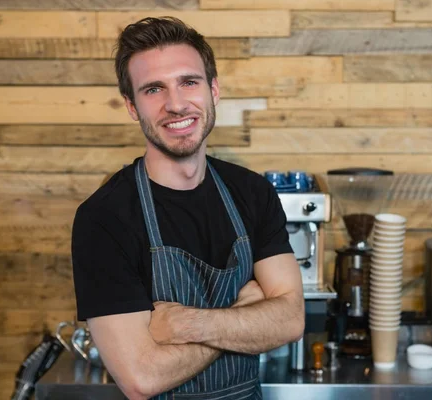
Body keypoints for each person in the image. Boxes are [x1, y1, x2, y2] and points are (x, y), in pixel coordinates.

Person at [71, 16, 305, 400]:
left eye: (189, 82)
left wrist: (185, 325)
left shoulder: (252, 192)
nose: (176, 104)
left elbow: (291, 320)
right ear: (131, 106)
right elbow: (141, 378)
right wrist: (241, 314)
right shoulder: (104, 218)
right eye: (153, 89)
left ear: (214, 89)